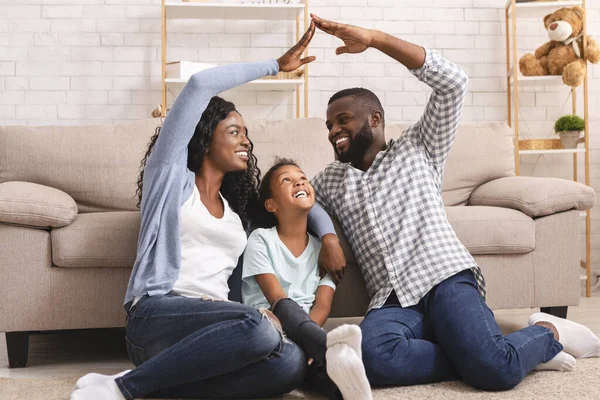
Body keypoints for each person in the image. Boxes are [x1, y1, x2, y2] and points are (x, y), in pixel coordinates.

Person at [308, 14, 600, 391]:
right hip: (392, 301)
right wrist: (328, 236)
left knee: (495, 372)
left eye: (342, 120)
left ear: (375, 119)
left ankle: (546, 330)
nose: (333, 132)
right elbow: (301, 200)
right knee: (372, 359)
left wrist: (375, 38)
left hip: (444, 279)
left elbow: (453, 83)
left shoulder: (419, 148)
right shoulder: (331, 179)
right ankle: (490, 350)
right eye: (329, 125)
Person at [70, 22, 347, 400]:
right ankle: (124, 389)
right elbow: (200, 84)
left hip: (221, 333)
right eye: (234, 131)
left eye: (246, 132)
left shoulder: (238, 212)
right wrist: (275, 65)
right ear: (203, 136)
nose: (245, 139)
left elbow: (297, 201)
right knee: (261, 325)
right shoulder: (169, 180)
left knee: (290, 365)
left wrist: (328, 236)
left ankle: (156, 383)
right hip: (158, 317)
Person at [242, 158, 372, 400]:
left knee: (322, 375)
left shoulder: (324, 253)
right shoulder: (260, 240)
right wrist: (312, 340)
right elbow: (276, 298)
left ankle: (349, 389)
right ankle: (329, 348)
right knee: (286, 317)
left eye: (302, 177)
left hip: (305, 335)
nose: (299, 181)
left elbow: (322, 305)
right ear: (271, 205)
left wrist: (307, 341)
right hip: (267, 325)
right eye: (287, 180)